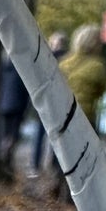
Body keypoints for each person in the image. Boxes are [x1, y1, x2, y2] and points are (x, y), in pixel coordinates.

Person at [53, 24, 106, 199]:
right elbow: (102, 90)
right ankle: (76, 194)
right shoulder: (98, 67)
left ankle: (59, 181)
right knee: (83, 156)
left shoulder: (64, 63)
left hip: (61, 114)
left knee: (62, 151)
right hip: (84, 115)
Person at [30, 30, 67, 174]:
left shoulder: (45, 58)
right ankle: (53, 164)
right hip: (57, 103)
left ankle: (36, 163)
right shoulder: (67, 60)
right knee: (56, 137)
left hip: (45, 102)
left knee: (40, 135)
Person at [0, 51, 30, 169]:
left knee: (5, 133)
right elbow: (25, 92)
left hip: (4, 105)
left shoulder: (4, 67)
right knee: (13, 135)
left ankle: (5, 154)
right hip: (17, 106)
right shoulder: (21, 70)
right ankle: (7, 155)